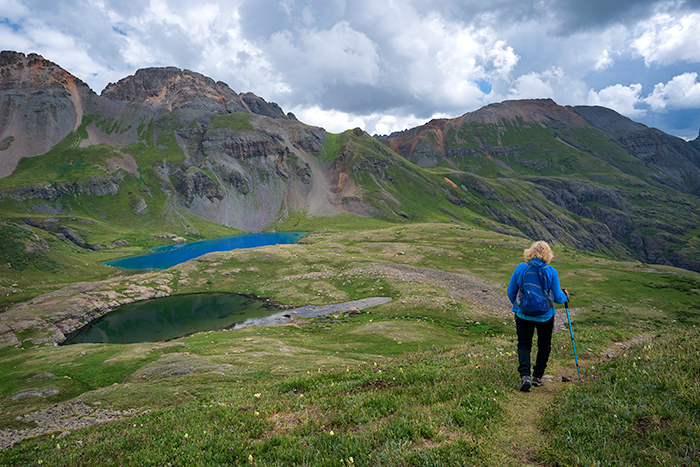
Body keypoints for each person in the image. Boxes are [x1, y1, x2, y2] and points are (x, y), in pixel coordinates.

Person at [507, 241, 569, 392]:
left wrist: (518, 305)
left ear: (530, 252)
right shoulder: (551, 271)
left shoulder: (521, 268)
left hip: (523, 314)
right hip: (545, 316)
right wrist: (565, 296)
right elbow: (557, 298)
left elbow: (511, 291)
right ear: (548, 254)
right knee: (544, 345)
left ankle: (525, 376)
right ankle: (537, 377)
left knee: (524, 344)